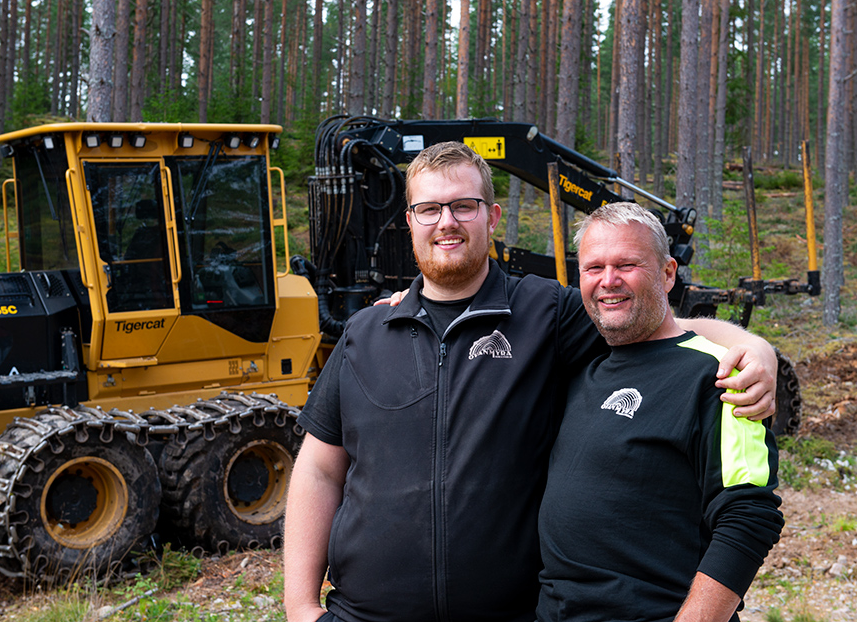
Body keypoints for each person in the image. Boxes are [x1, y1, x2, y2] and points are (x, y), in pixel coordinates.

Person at [284, 142, 777, 622]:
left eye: (464, 205)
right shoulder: (365, 333)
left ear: (493, 216)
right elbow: (319, 471)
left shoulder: (547, 314)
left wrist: (756, 351)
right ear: (410, 220)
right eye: (430, 208)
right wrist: (300, 607)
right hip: (365, 614)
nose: (447, 221)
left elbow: (650, 325)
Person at [537, 202, 783, 622]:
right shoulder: (580, 367)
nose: (608, 281)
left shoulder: (717, 374)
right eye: (593, 267)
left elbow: (749, 515)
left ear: (668, 273)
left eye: (627, 264)